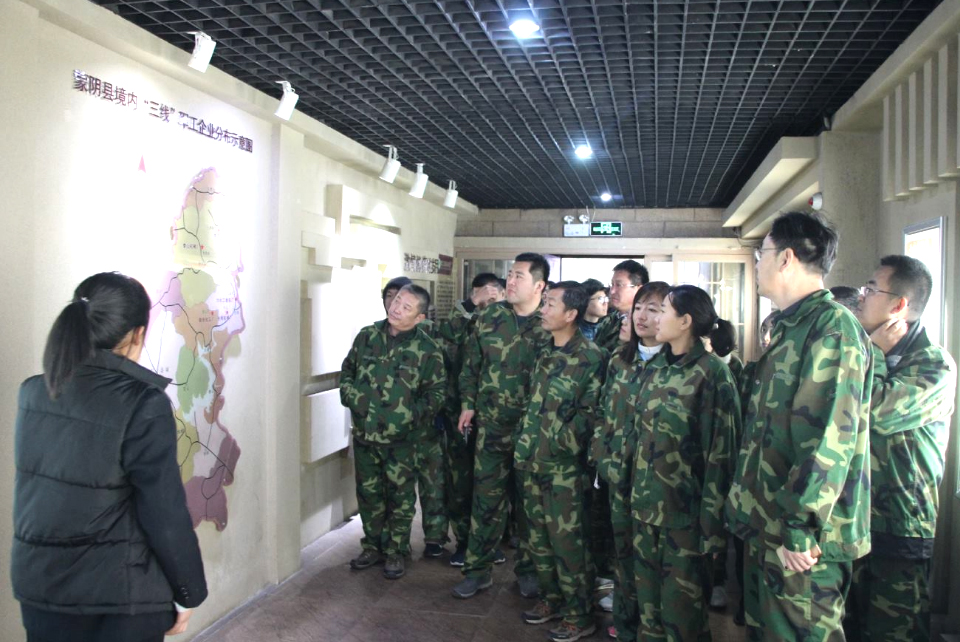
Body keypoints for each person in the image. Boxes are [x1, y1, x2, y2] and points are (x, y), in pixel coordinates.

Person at [12, 272, 207, 642]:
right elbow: (163, 511)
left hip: (40, 589)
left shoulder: (33, 392)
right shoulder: (142, 403)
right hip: (120, 597)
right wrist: (188, 591)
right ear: (137, 334)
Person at [726, 211, 874, 642]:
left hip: (803, 540)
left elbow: (828, 436)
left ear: (786, 257)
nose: (758, 263)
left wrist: (799, 525)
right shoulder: (790, 326)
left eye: (762, 253)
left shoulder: (831, 327)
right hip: (770, 523)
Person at [845, 255, 957, 642]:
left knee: (895, 631)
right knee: (850, 627)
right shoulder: (866, 347)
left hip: (900, 523)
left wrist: (873, 353)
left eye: (871, 289)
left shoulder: (933, 366)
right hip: (855, 519)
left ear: (899, 305)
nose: (861, 296)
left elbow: (874, 411)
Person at [632, 285, 740, 642]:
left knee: (683, 618)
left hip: (686, 520)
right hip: (646, 510)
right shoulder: (656, 368)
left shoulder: (712, 375)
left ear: (685, 321)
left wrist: (712, 530)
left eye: (663, 310)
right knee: (649, 613)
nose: (655, 318)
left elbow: (720, 456)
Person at [452, 253, 552, 599]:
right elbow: (471, 365)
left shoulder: (550, 322)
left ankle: (529, 572)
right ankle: (477, 570)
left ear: (539, 285)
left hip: (533, 432)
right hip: (492, 426)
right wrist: (467, 404)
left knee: (529, 506)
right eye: (510, 275)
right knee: (486, 502)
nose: (509, 282)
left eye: (518, 276)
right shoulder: (490, 317)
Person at [515, 281, 605, 642]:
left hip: (565, 469)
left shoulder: (591, 357)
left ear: (570, 314)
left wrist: (556, 444)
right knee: (538, 540)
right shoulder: (544, 351)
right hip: (532, 461)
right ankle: (551, 599)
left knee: (569, 544)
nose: (543, 309)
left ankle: (579, 614)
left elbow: (591, 415)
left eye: (550, 304)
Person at [340, 284, 446, 580]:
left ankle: (397, 550)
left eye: (406, 307)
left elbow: (437, 393)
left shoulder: (427, 349)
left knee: (400, 498)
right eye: (396, 301)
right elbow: (347, 371)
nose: (396, 308)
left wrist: (410, 416)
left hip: (403, 440)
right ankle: (372, 546)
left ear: (420, 317)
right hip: (366, 435)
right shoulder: (368, 336)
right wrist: (353, 398)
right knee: (369, 494)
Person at [590, 281, 670, 642]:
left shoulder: (677, 363)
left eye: (653, 309)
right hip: (619, 474)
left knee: (654, 560)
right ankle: (625, 624)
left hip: (657, 483)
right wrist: (600, 455)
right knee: (622, 553)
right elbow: (603, 411)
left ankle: (653, 626)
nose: (642, 316)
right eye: (638, 308)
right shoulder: (619, 360)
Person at [437, 273, 504, 565]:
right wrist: (471, 304)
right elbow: (448, 336)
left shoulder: (509, 324)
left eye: (493, 298)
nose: (487, 305)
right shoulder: (464, 322)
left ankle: (491, 542)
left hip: (496, 418)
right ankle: (465, 542)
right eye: (482, 299)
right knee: (460, 483)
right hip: (459, 415)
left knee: (493, 486)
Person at [593, 260, 649, 353]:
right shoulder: (605, 319)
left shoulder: (643, 325)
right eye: (612, 285)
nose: (612, 291)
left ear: (639, 289)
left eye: (619, 285)